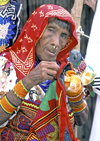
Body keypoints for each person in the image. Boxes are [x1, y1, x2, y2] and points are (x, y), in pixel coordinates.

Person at [0, 4, 89, 141]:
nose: (56, 42)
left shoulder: (69, 70)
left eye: (63, 36)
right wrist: (28, 81)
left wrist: (76, 97)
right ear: (36, 30)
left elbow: (82, 120)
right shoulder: (7, 64)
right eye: (50, 30)